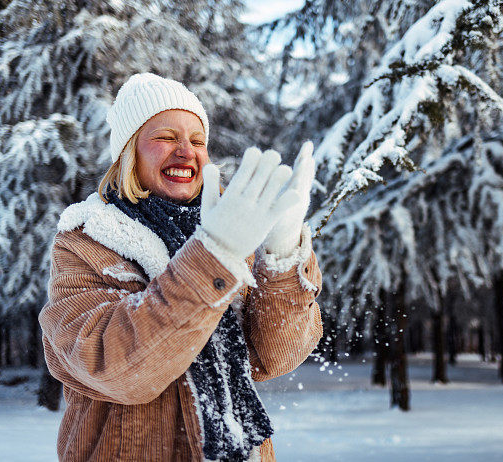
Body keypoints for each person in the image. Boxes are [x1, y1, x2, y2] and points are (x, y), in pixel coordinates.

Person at [39, 73, 324, 462]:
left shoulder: (232, 234)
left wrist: (282, 254)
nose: (186, 152)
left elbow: (271, 356)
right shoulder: (85, 240)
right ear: (128, 151)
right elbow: (114, 367)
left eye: (197, 140)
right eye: (166, 137)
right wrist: (212, 256)